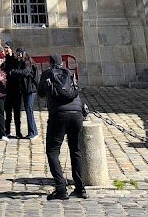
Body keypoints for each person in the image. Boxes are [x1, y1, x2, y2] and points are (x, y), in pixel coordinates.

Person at [38, 54, 87, 200]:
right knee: (75, 150)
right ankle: (80, 188)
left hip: (59, 114)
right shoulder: (69, 74)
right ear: (62, 63)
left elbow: (40, 93)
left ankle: (61, 188)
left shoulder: (47, 73)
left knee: (52, 151)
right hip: (77, 113)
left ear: (50, 63)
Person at [15, 49, 40, 140]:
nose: (18, 55)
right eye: (17, 54)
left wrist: (15, 72)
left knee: (29, 109)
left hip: (30, 89)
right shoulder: (21, 62)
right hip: (25, 90)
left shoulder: (27, 62)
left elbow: (26, 72)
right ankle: (32, 131)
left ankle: (33, 132)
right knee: (28, 109)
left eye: (20, 54)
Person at [3, 44, 23, 138]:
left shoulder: (15, 59)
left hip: (16, 89)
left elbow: (20, 68)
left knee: (17, 112)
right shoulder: (3, 59)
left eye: (7, 47)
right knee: (7, 112)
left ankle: (18, 132)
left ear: (11, 49)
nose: (6, 49)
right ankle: (7, 130)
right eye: (5, 48)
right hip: (7, 89)